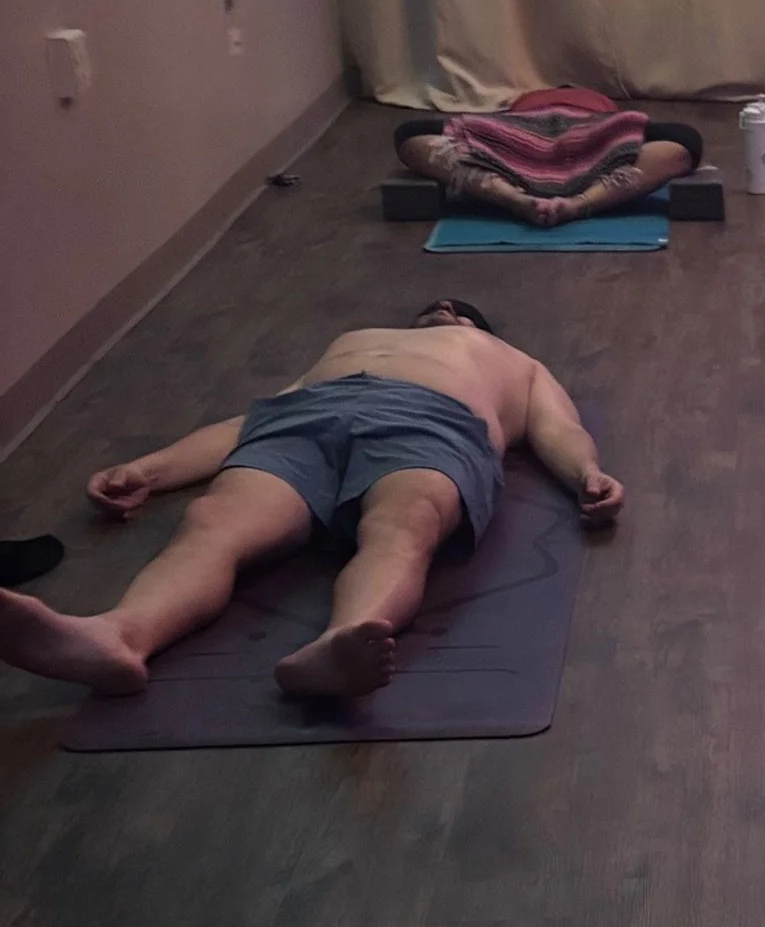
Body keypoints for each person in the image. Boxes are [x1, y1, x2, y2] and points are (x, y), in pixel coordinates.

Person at [0, 301, 623, 703]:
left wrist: (587, 474)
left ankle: (342, 642)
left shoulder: (515, 362)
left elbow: (557, 428)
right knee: (213, 521)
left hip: (433, 420)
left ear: (472, 326)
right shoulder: (352, 341)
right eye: (430, 307)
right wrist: (150, 470)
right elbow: (248, 422)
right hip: (304, 417)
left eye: (455, 310)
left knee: (403, 525)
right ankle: (118, 636)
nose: (440, 310)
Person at [394, 87, 702, 228]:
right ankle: (519, 199)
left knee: (685, 142)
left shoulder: (599, 106)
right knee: (410, 136)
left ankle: (573, 204)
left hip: (592, 132)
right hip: (517, 132)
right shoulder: (526, 101)